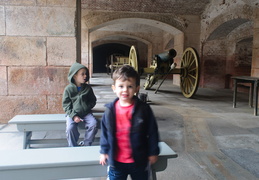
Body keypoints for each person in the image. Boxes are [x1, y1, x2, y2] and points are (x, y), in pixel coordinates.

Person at [99, 65, 160, 180]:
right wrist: (103, 151)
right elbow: (105, 133)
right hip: (116, 162)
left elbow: (152, 132)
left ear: (137, 88)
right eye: (121, 86)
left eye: (130, 86)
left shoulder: (144, 109)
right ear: (114, 88)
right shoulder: (110, 110)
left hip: (139, 161)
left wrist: (153, 152)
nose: (125, 90)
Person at [62, 62, 98, 147]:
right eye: (82, 74)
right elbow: (66, 105)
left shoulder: (88, 88)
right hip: (72, 114)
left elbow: (93, 100)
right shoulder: (68, 89)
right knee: (70, 128)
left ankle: (86, 144)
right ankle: (72, 146)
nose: (85, 76)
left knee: (93, 124)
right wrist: (73, 116)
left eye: (86, 74)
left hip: (86, 113)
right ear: (74, 76)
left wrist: (87, 108)